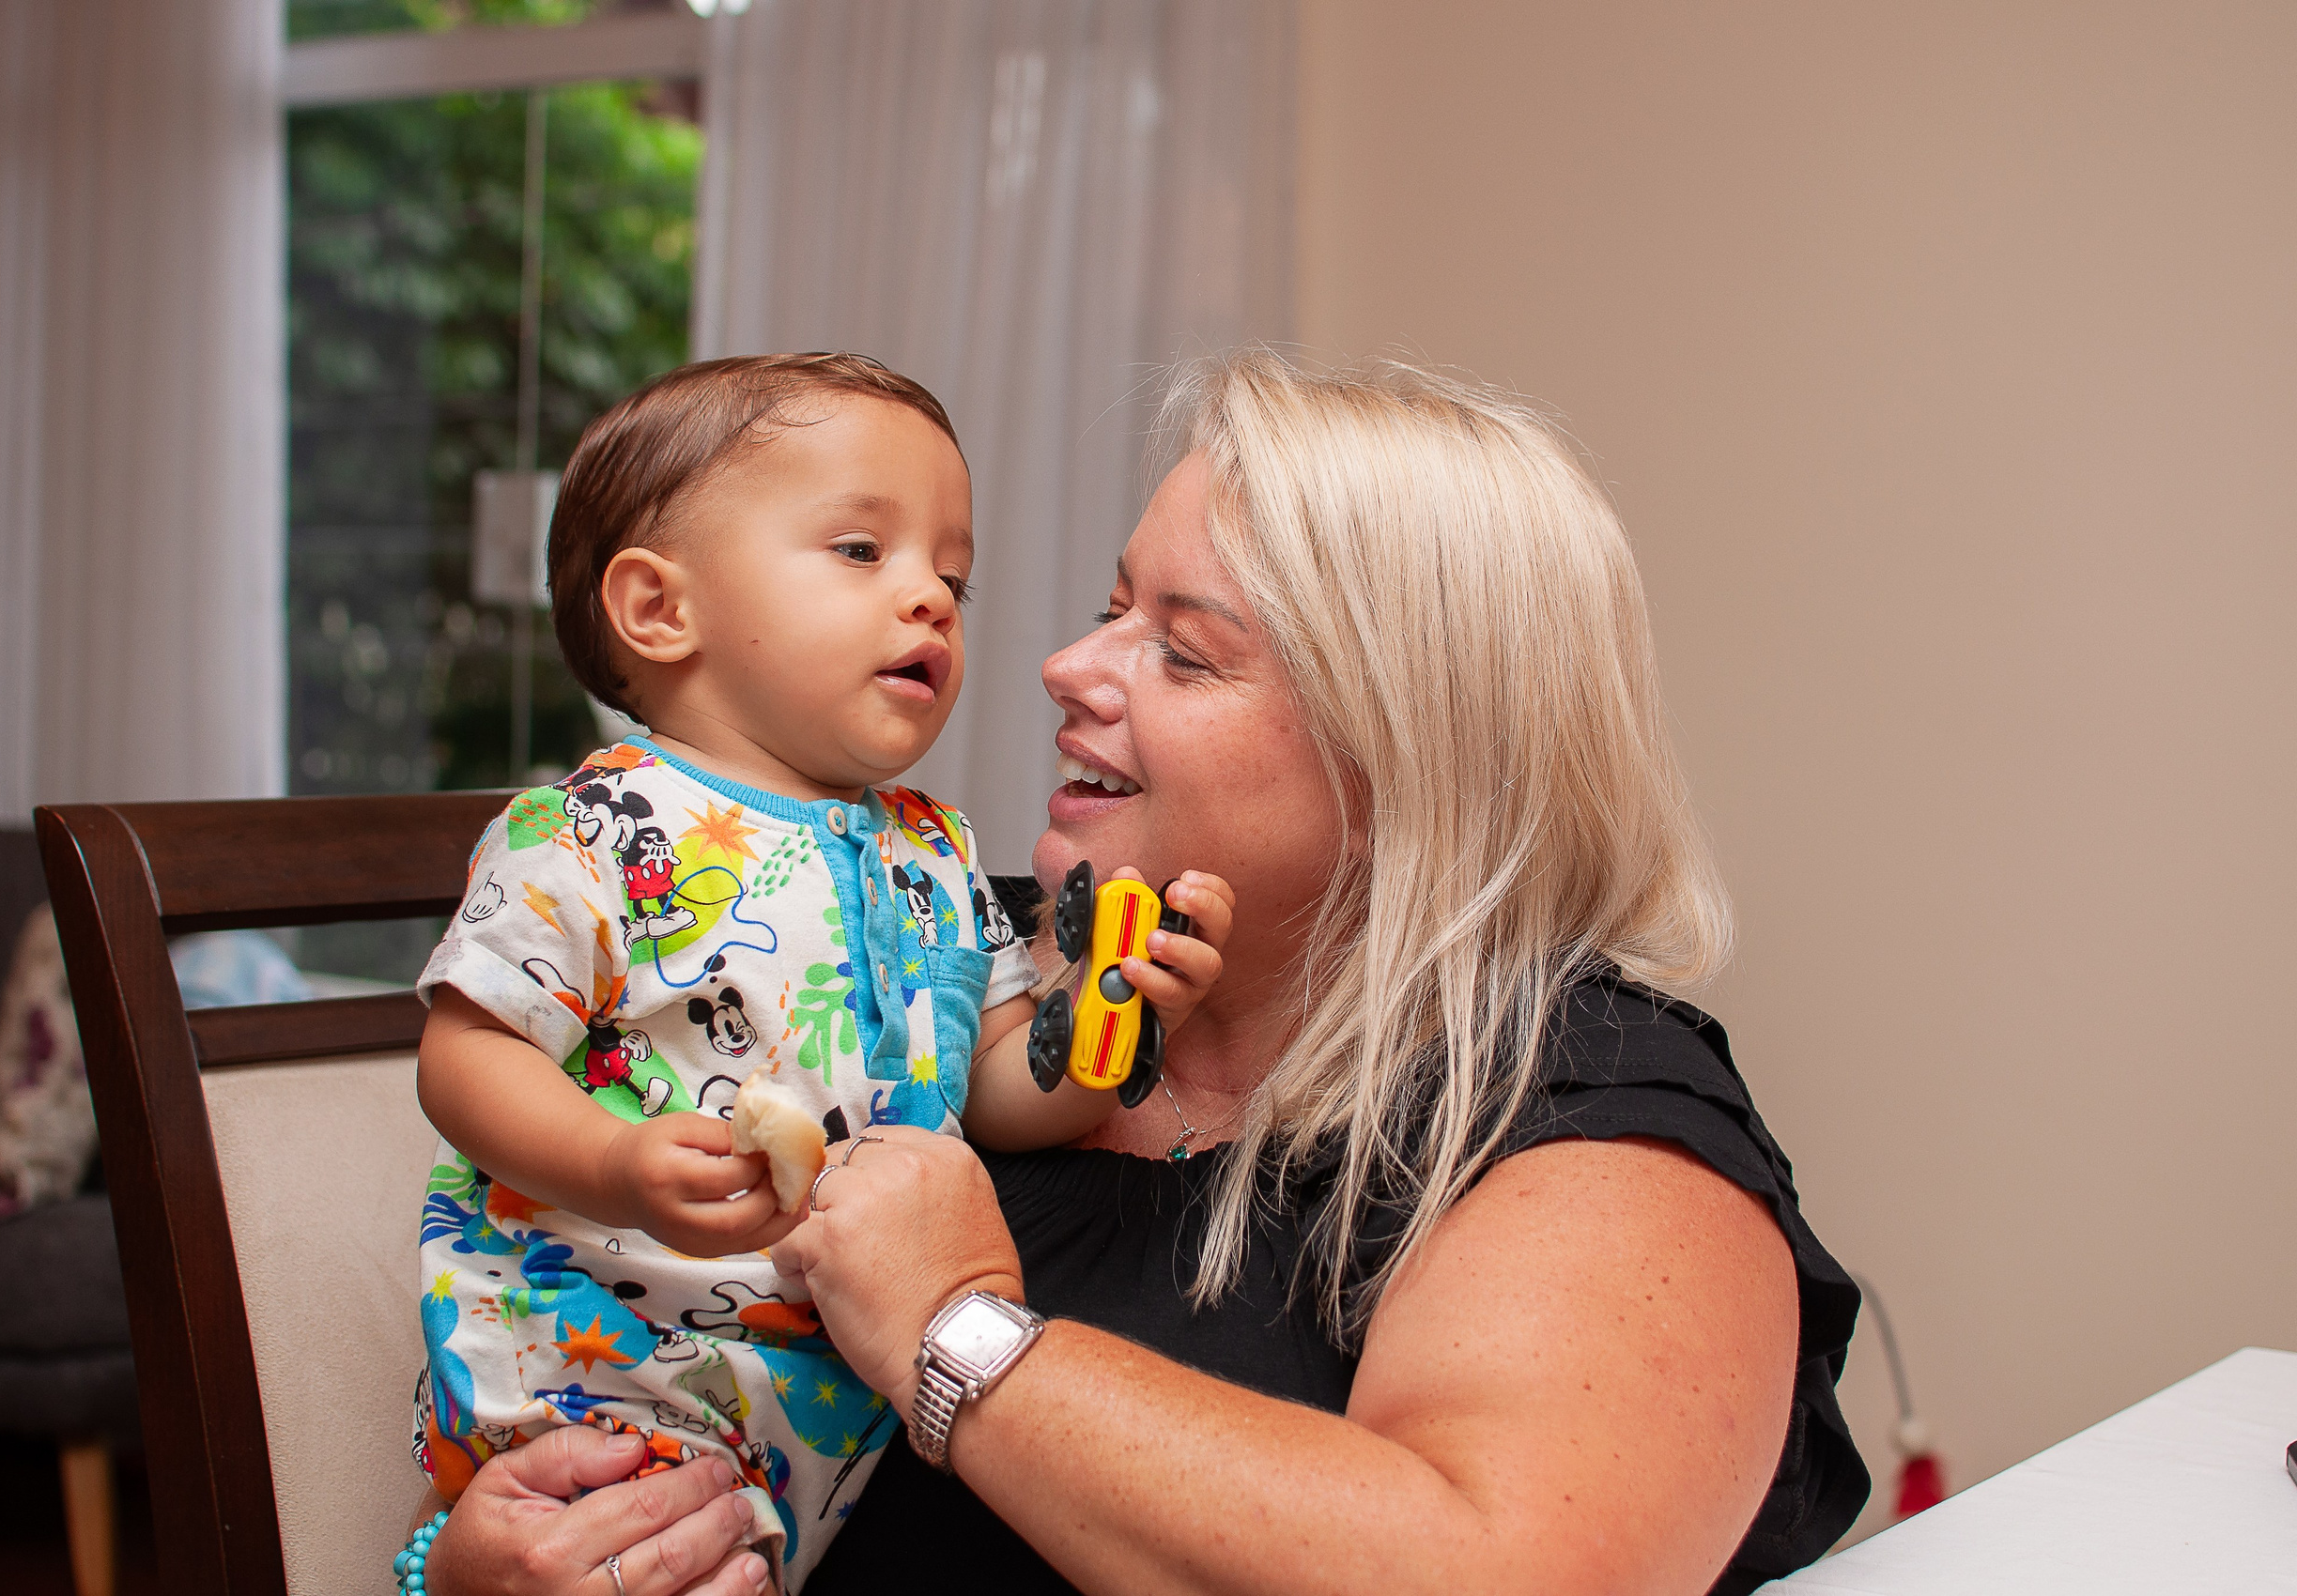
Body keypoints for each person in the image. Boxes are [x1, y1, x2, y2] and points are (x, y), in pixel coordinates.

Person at [433, 349, 1869, 1596]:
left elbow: (1506, 1572)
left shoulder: (1577, 1107)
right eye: (1109, 607)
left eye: (1182, 651)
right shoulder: (917, 952)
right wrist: (486, 1566)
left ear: (1404, 759)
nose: (1064, 664)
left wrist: (957, 1332)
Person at [406, 353, 1234, 1592]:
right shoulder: (589, 830)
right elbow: (467, 1055)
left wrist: (1099, 1030)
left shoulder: (933, 850)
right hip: (600, 1372)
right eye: (861, 550)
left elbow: (989, 1084)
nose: (931, 599)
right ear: (658, 609)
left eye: (952, 575)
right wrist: (615, 1165)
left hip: (825, 1408)